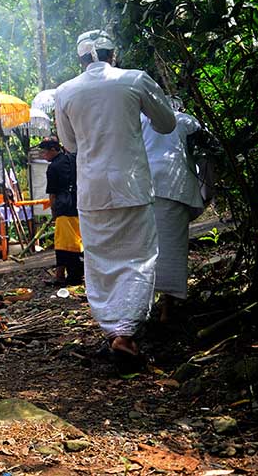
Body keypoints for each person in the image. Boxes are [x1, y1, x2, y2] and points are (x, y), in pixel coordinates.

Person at [55, 29, 175, 372]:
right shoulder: (135, 80)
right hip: (132, 185)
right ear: (114, 54)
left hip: (92, 191)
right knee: (138, 258)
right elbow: (166, 124)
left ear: (80, 60)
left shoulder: (66, 92)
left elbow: (70, 144)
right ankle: (127, 332)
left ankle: (114, 331)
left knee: (101, 261)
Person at [141, 103, 204, 322]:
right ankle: (167, 308)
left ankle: (144, 307)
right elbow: (206, 152)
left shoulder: (142, 120)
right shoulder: (187, 120)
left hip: (145, 184)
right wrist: (205, 191)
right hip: (174, 184)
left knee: (145, 247)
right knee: (172, 249)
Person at [39, 136, 84, 286]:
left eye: (45, 152)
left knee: (66, 245)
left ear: (53, 150)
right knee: (75, 241)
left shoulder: (53, 168)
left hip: (64, 207)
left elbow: (52, 193)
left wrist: (54, 211)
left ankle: (72, 277)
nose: (43, 155)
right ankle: (61, 275)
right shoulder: (72, 159)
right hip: (78, 203)